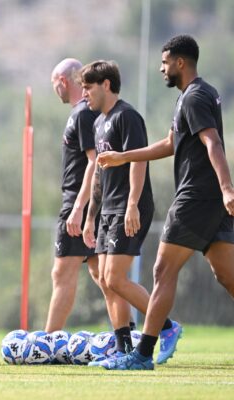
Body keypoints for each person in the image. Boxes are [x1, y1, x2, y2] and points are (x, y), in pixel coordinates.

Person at [98, 34, 232, 370]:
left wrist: (228, 188)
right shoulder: (197, 95)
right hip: (210, 200)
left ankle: (142, 355)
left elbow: (212, 143)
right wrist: (122, 157)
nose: (162, 69)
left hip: (196, 196)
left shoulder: (195, 96)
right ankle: (144, 351)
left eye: (165, 62)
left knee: (162, 270)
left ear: (180, 62)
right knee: (228, 276)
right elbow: (171, 143)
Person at [78, 61, 180, 367]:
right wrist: (90, 216)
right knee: (105, 281)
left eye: (88, 87)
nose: (84, 95)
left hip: (128, 206)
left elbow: (138, 161)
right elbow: (98, 171)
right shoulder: (98, 123)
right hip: (107, 208)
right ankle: (123, 351)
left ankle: (167, 327)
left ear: (106, 84)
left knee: (115, 278)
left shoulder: (127, 116)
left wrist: (133, 203)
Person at [46, 58, 110, 333]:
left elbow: (94, 162)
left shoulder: (82, 113)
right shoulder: (86, 112)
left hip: (79, 201)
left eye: (53, 84)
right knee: (103, 275)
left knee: (62, 273)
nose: (54, 91)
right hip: (89, 202)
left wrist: (78, 209)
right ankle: (131, 332)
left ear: (62, 81)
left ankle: (47, 343)